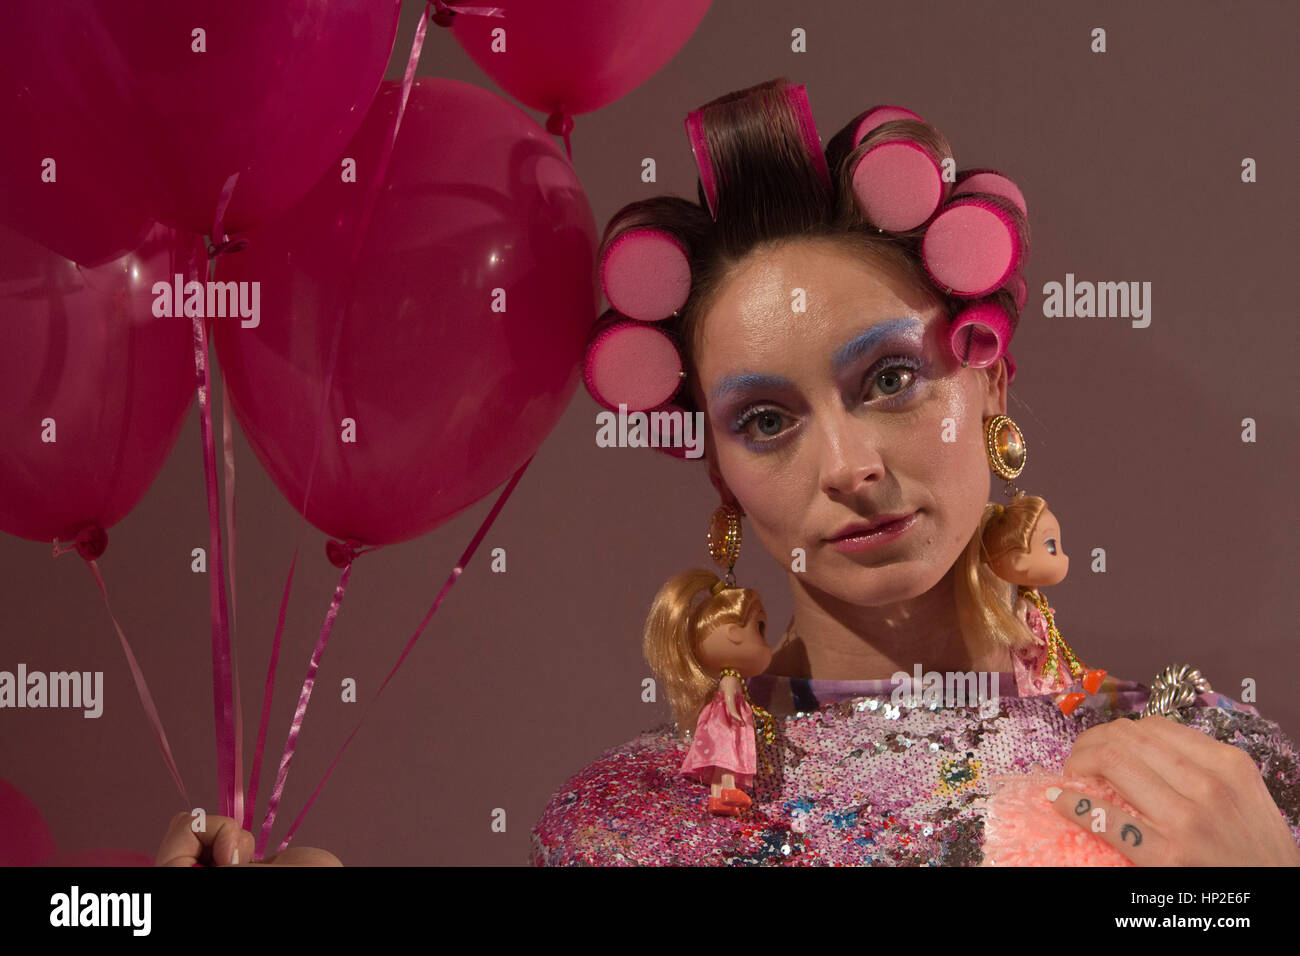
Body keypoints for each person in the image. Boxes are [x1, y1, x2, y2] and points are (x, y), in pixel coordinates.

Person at [528, 77, 1300, 866]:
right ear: (722, 474)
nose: (849, 468)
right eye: (765, 421)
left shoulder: (1203, 776)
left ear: (990, 380)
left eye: (890, 380)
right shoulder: (632, 832)